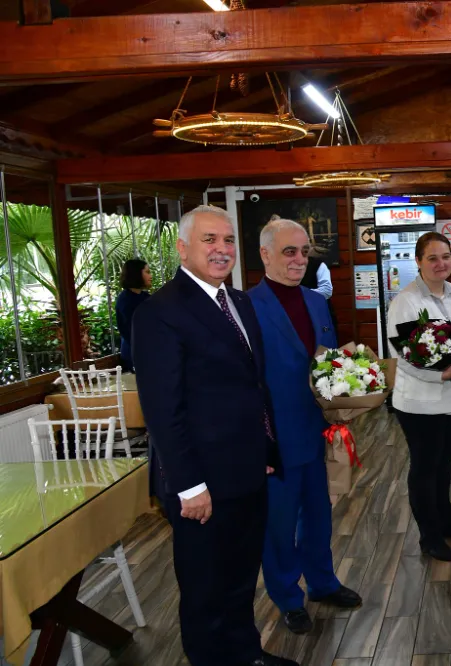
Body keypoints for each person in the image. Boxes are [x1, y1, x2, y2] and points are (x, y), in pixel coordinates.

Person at [132, 205, 295, 666]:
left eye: (227, 240)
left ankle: (247, 655)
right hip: (199, 483)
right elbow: (163, 410)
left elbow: (251, 386)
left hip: (247, 470)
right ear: (183, 248)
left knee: (242, 578)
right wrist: (189, 485)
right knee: (206, 591)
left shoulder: (238, 302)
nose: (222, 249)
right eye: (209, 240)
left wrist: (264, 449)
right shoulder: (159, 312)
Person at [248, 219, 362, 636]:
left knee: (319, 516)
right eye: (288, 252)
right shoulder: (248, 307)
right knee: (278, 525)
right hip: (275, 437)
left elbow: (329, 364)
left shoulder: (317, 303)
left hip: (320, 434)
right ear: (265, 255)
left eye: (303, 252)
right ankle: (287, 597)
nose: (299, 260)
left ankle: (322, 582)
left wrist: (350, 393)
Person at [387, 231, 451, 562]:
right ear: (418, 262)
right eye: (432, 257)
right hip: (419, 403)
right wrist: (439, 374)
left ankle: (446, 522)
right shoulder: (405, 301)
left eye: (445, 256)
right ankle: (429, 536)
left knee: (444, 465)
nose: (441, 263)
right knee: (425, 468)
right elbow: (403, 355)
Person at [115, 258, 151, 372]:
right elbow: (129, 331)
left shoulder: (146, 297)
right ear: (136, 274)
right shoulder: (125, 300)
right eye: (147, 272)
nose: (150, 276)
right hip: (135, 354)